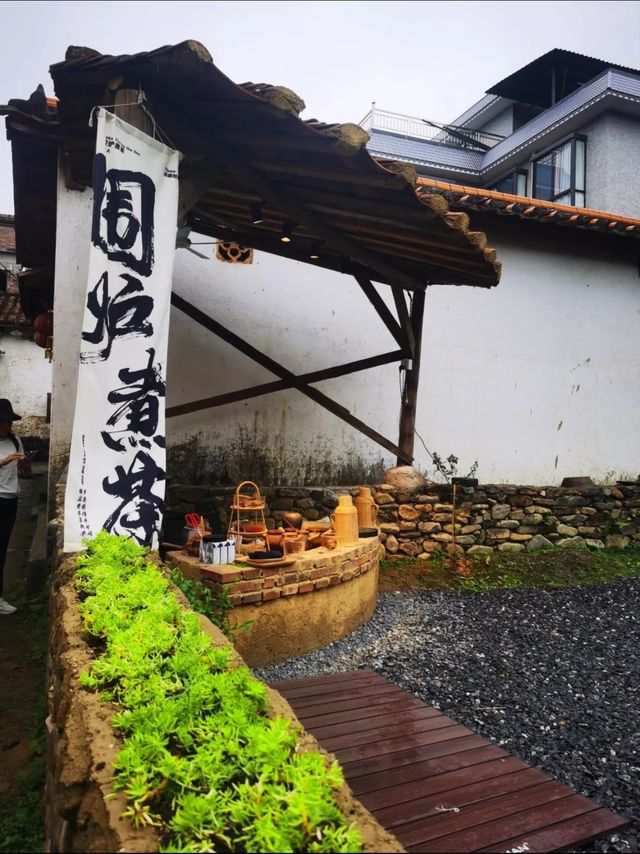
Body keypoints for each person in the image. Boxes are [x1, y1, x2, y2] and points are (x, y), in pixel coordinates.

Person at [0, 399, 25, 615]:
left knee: (2, 549)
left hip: (10, 500)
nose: (7, 426)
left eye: (9, 422)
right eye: (3, 422)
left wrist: (25, 463)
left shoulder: (15, 441)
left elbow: (25, 472)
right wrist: (3, 461)